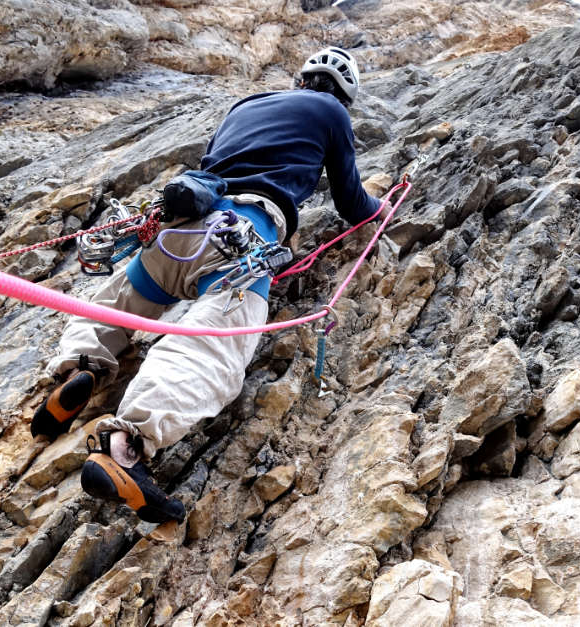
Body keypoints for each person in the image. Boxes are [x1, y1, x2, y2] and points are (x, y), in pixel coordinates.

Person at [31, 47, 387, 523]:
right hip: (242, 237)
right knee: (209, 346)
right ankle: (126, 447)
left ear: (301, 77)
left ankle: (81, 366)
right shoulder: (331, 113)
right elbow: (351, 201)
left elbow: (210, 160)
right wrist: (383, 208)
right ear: (344, 95)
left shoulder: (247, 105)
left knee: (114, 303)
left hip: (180, 229)